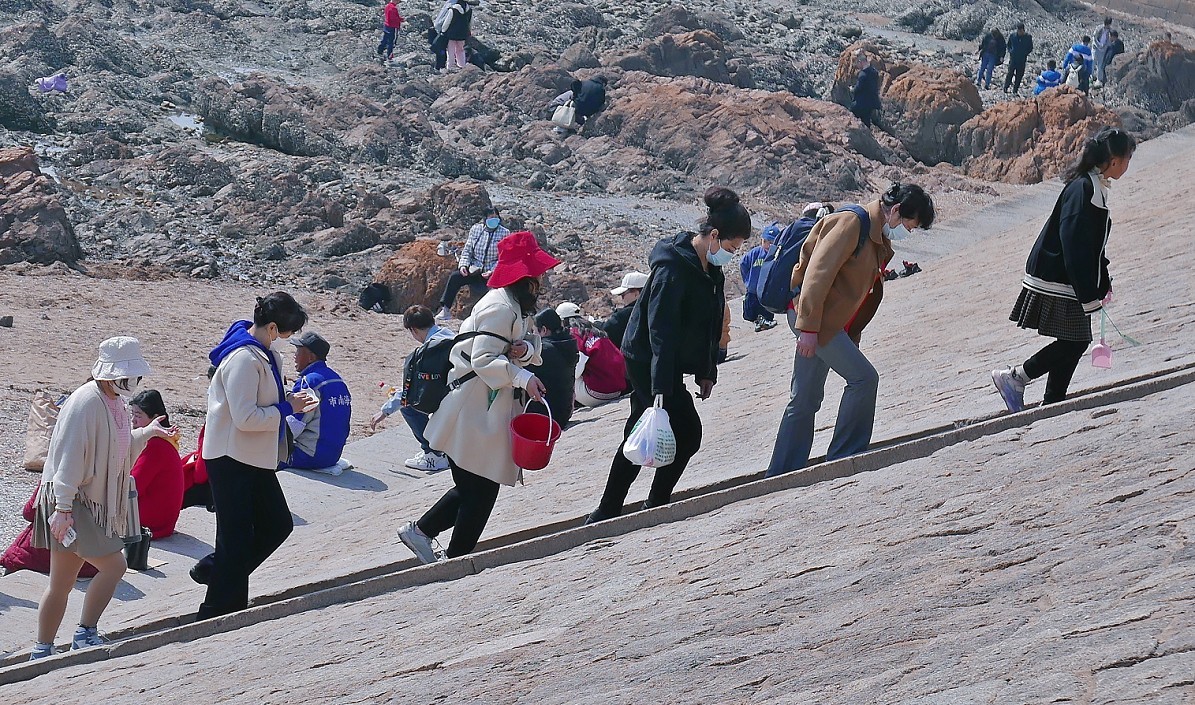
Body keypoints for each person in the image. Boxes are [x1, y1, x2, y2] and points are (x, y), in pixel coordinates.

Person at [586, 187, 750, 523]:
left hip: (667, 362)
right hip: (648, 359)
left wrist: (707, 370)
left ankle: (612, 509)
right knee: (683, 431)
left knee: (643, 429)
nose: (732, 255)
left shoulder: (709, 268)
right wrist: (661, 387)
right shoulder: (672, 268)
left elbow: (711, 320)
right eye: (732, 247)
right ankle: (644, 503)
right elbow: (660, 329)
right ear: (714, 235)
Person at [398, 231, 556, 563]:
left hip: (483, 410)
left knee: (477, 488)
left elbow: (526, 342)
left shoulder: (513, 305)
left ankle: (426, 536)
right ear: (525, 278)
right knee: (480, 489)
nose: (541, 279)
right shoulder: (500, 307)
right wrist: (523, 375)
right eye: (537, 274)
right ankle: (447, 553)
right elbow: (484, 359)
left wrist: (526, 350)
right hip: (472, 410)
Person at [766, 184, 935, 478]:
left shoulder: (875, 236)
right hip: (816, 323)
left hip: (823, 324)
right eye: (909, 225)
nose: (908, 232)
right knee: (864, 379)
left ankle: (781, 473)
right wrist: (807, 328)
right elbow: (818, 273)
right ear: (895, 211)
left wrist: (849, 334)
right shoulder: (852, 223)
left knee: (805, 398)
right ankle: (845, 455)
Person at [29, 337, 177, 660]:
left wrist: (148, 432)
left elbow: (117, 449)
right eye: (130, 375)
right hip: (73, 503)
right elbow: (69, 459)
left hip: (78, 503)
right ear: (113, 374)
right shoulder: (86, 403)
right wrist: (63, 509)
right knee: (114, 565)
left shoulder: (112, 401)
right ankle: (83, 634)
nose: (134, 382)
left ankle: (42, 650)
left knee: (61, 583)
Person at [193, 292, 318, 620]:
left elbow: (264, 402)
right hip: (230, 456)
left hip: (253, 455)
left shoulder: (265, 354)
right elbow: (245, 417)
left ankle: (218, 572)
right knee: (235, 535)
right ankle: (217, 609)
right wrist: (288, 407)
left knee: (277, 524)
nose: (289, 339)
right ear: (274, 328)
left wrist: (289, 399)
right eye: (288, 332)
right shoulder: (243, 359)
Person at [992, 127, 1135, 412]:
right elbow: (1073, 243)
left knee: (1075, 340)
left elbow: (1094, 247)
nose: (1129, 165)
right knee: (1076, 340)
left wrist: (1101, 281)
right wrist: (1087, 292)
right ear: (1115, 160)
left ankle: (1053, 398)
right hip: (1057, 275)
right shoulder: (1085, 188)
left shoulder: (1092, 186)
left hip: (1067, 276)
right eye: (1128, 158)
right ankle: (1015, 378)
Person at [371, 305, 455, 472]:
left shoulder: (427, 351)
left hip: (450, 403)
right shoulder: (452, 336)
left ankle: (433, 455)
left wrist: (385, 410)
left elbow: (409, 394)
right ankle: (443, 449)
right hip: (465, 397)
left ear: (414, 330)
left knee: (408, 405)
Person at [282, 332, 352, 475]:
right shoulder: (337, 379)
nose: (295, 356)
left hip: (310, 456)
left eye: (298, 351)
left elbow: (294, 426)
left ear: (310, 357)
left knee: (258, 460)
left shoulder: (309, 382)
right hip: (333, 455)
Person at [436, 206, 509, 322]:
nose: (494, 219)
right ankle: (445, 309)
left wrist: (492, 271)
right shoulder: (476, 229)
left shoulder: (504, 233)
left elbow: (503, 257)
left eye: (496, 217)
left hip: (491, 271)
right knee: (455, 278)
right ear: (485, 218)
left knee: (495, 291)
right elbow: (468, 250)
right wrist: (463, 265)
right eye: (491, 217)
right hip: (474, 268)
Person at [129, 390, 185, 539]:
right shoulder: (162, 441)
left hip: (152, 521)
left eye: (138, 416)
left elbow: (134, 485)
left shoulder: (155, 445)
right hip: (163, 520)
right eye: (132, 414)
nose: (133, 420)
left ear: (155, 419)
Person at [527, 309, 580, 428]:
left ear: (544, 330)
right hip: (564, 413)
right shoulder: (568, 343)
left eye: (534, 331)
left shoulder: (543, 350)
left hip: (548, 416)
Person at [569, 316, 629, 408]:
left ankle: (568, 407)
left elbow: (576, 372)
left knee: (566, 377)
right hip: (617, 390)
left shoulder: (575, 334)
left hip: (598, 393)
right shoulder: (596, 331)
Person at [741, 222, 780, 331]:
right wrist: (748, 280)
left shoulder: (777, 255)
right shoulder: (755, 253)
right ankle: (757, 321)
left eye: (771, 242)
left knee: (766, 307)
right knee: (750, 310)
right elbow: (743, 264)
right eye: (765, 241)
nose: (768, 245)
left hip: (767, 289)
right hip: (753, 289)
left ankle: (766, 321)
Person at [600, 271, 648, 348]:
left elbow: (606, 329)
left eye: (623, 295)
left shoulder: (623, 315)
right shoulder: (655, 310)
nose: (622, 298)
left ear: (636, 293)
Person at [442, 0, 479, 72]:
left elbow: (447, 22)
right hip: (463, 33)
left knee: (451, 50)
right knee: (460, 49)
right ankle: (462, 65)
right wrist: (469, 31)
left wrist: (443, 31)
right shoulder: (469, 10)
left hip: (452, 33)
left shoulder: (453, 9)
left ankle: (450, 66)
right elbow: (471, 22)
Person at [850, 52, 882, 128]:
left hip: (862, 103)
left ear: (861, 62)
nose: (857, 66)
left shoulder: (862, 75)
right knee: (866, 121)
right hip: (872, 102)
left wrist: (852, 89)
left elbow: (857, 89)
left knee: (851, 114)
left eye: (857, 63)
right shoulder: (874, 72)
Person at [1004, 23, 1034, 94]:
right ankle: (1006, 87)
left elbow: (1030, 47)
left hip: (1022, 60)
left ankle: (1015, 90)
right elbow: (1008, 45)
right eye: (1018, 30)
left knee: (1019, 75)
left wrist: (1025, 53)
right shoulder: (1013, 36)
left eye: (1021, 30)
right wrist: (1011, 51)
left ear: (1023, 30)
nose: (1019, 32)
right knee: (1010, 73)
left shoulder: (1028, 37)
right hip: (1013, 59)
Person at [376, 0, 404, 64]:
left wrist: (400, 19)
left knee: (385, 39)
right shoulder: (393, 8)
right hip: (392, 26)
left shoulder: (387, 6)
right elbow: (394, 19)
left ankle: (380, 51)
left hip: (386, 25)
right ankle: (389, 56)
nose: (398, 2)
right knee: (391, 41)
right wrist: (401, 20)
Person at [1092, 18, 1113, 84]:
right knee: (1093, 62)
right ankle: (1091, 76)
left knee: (1100, 65)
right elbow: (1094, 38)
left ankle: (1099, 79)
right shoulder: (1099, 28)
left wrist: (1104, 46)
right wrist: (1099, 45)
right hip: (1096, 48)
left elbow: (1109, 41)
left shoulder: (1110, 31)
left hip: (1103, 50)